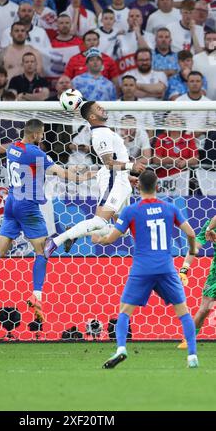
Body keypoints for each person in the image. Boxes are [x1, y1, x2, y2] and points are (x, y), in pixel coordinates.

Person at [0, 119, 93, 321]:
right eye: (41, 134)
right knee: (43, 251)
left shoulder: (13, 148)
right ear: (34, 135)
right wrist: (85, 177)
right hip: (28, 206)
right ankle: (37, 296)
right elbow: (62, 173)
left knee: (0, 250)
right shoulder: (35, 153)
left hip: (11, 202)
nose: (42, 137)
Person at [95, 170, 198, 369]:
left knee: (124, 311)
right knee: (183, 312)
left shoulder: (131, 211)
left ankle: (121, 349)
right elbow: (191, 232)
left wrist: (99, 239)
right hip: (166, 268)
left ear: (138, 186)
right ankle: (192, 356)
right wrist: (192, 249)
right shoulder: (170, 208)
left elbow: (112, 238)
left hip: (142, 268)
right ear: (157, 186)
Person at [44, 101, 145, 258]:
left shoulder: (104, 131)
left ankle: (74, 231)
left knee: (122, 230)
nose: (103, 109)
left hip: (120, 179)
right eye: (98, 108)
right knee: (100, 222)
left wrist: (127, 176)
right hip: (114, 180)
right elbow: (109, 163)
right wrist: (131, 166)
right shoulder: (100, 134)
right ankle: (56, 241)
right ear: (92, 116)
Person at [177, 216, 216, 349]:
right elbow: (195, 246)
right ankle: (189, 339)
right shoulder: (209, 225)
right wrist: (184, 268)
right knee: (205, 307)